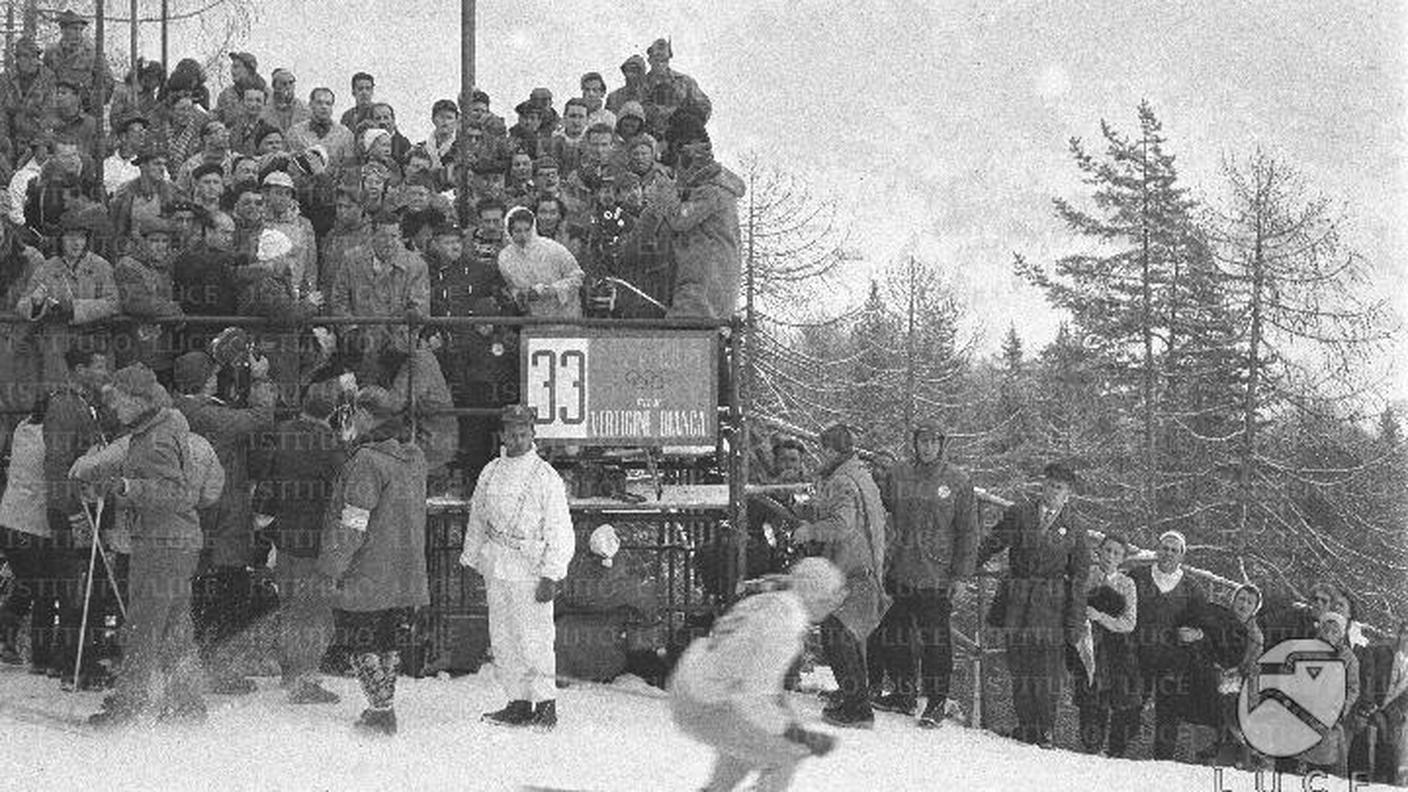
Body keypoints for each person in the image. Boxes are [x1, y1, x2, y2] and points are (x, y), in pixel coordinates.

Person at [87, 364, 205, 726]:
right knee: (173, 626)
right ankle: (185, 703)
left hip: (163, 542)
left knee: (144, 626)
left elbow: (173, 492)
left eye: (120, 399)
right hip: (176, 539)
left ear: (139, 400)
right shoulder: (164, 424)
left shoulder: (155, 437)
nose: (114, 407)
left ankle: (131, 704)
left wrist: (127, 487)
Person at [670, 557, 846, 792]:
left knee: (751, 744)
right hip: (704, 701)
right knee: (787, 751)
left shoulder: (769, 602)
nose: (833, 606)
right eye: (831, 598)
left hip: (693, 684)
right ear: (816, 597)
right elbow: (753, 697)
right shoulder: (784, 626)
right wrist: (799, 734)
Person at [319, 385, 429, 736]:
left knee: (359, 640)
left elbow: (353, 522)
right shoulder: (415, 458)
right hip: (403, 569)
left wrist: (331, 568)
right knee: (386, 640)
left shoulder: (367, 461)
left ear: (367, 416)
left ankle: (381, 712)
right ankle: (382, 705)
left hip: (366, 570)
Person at [460, 405, 575, 731]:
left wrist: (552, 574)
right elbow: (477, 519)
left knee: (535, 638)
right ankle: (518, 701)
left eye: (523, 433)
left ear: (533, 434)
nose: (517, 439)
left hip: (531, 568)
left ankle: (546, 704)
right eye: (512, 433)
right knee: (504, 637)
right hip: (497, 565)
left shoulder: (545, 476)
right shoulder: (491, 472)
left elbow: (560, 529)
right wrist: (471, 558)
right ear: (503, 434)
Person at [172, 349, 277, 696]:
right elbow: (260, 418)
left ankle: (196, 662)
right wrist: (260, 380)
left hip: (193, 515)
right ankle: (219, 670)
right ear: (202, 381)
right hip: (225, 514)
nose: (217, 380)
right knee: (230, 591)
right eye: (212, 376)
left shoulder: (175, 410)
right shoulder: (206, 415)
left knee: (199, 591)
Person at [871, 419, 977, 727]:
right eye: (922, 441)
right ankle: (904, 694)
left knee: (936, 640)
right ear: (915, 443)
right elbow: (883, 504)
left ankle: (936, 701)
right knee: (893, 632)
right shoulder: (900, 473)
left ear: (942, 444)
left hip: (937, 573)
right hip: (901, 567)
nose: (927, 447)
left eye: (933, 442)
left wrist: (961, 577)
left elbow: (968, 531)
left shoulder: (957, 480)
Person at [976, 462, 1090, 748]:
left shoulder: (1075, 527)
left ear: (1068, 494)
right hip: (1017, 599)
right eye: (1050, 485)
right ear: (1043, 485)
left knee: (1048, 671)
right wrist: (964, 567)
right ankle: (1026, 726)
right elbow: (992, 543)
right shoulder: (1020, 513)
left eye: (1060, 488)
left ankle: (1046, 730)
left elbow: (1079, 578)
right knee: (1020, 665)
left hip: (1052, 605)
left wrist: (1074, 622)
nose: (1053, 492)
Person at [251, 378, 346, 705]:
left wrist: (264, 516)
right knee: (315, 614)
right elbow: (342, 491)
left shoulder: (280, 433)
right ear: (333, 411)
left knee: (290, 606)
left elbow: (264, 478)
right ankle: (304, 680)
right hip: (316, 540)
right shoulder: (331, 445)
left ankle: (290, 672)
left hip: (284, 535)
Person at [790, 423, 888, 729]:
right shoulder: (860, 475)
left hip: (854, 568)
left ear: (832, 450)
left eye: (824, 450)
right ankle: (853, 697)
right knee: (843, 633)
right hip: (867, 565)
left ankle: (858, 709)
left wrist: (811, 531)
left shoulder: (843, 480)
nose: (822, 456)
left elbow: (843, 524)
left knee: (837, 633)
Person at [645, 113, 743, 319]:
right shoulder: (699, 187)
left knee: (677, 343)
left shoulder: (713, 189)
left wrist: (663, 191)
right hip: (696, 283)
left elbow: (680, 219)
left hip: (704, 289)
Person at [330, 210, 430, 387]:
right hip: (359, 346)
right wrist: (349, 331)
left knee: (394, 404)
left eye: (394, 236)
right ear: (372, 234)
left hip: (396, 351)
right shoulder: (351, 259)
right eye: (384, 236)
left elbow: (419, 309)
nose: (390, 242)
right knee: (360, 400)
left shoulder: (416, 265)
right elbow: (339, 299)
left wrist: (400, 345)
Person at [1072, 533, 1140, 757]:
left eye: (1117, 553)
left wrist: (1101, 617)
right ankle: (1089, 745)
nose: (1110, 556)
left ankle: (1108, 750)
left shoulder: (1127, 583)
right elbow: (1074, 604)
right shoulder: (1087, 576)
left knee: (1108, 695)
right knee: (1087, 693)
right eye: (1108, 550)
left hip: (1115, 647)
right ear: (1099, 551)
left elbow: (1129, 621)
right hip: (1087, 641)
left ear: (1122, 559)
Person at [113, 217, 184, 379]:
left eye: (164, 241)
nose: (160, 246)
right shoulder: (128, 265)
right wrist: (173, 309)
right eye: (154, 241)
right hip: (136, 351)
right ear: (142, 242)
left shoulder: (166, 267)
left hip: (163, 350)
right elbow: (135, 303)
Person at [496, 206, 583, 320]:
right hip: (533, 319)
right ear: (509, 231)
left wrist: (552, 290)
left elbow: (577, 277)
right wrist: (521, 295)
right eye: (518, 231)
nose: (524, 236)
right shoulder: (505, 257)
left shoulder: (553, 248)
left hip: (565, 315)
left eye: (527, 230)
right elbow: (511, 287)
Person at [42, 10, 114, 115]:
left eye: (81, 30)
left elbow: (108, 81)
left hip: (85, 111)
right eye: (74, 29)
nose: (78, 34)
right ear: (63, 29)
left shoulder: (92, 52)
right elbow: (45, 80)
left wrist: (93, 103)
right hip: (58, 111)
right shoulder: (51, 52)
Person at [289, 88, 355, 171]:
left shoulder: (345, 135)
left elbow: (349, 168)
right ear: (310, 104)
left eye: (328, 103)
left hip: (334, 182)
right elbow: (291, 164)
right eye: (319, 103)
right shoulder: (296, 132)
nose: (324, 107)